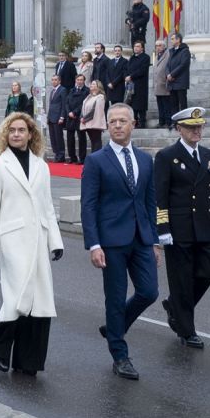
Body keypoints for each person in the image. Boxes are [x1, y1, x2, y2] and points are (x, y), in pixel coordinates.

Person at [0, 112, 64, 375]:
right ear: (6, 134)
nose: (16, 134)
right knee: (18, 298)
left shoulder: (42, 166)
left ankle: (28, 360)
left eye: (21, 130)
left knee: (40, 302)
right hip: (12, 241)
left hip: (38, 239)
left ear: (30, 134)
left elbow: (47, 206)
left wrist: (55, 241)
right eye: (12, 130)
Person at [81, 103, 160, 380]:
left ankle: (115, 327)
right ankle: (120, 355)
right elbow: (88, 205)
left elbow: (150, 201)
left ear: (132, 124)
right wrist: (94, 244)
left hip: (141, 238)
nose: (116, 126)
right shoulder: (96, 160)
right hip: (111, 241)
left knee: (149, 291)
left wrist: (155, 241)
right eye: (112, 121)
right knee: (114, 299)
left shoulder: (144, 160)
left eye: (122, 121)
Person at [155, 106, 210, 349]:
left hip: (202, 227)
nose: (197, 131)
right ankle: (186, 329)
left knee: (208, 272)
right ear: (179, 129)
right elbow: (160, 195)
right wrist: (163, 228)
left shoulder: (208, 154)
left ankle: (176, 306)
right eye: (191, 128)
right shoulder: (166, 156)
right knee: (181, 280)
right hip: (179, 229)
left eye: (199, 127)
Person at [65, 73, 89, 164]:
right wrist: (69, 112)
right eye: (78, 80)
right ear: (76, 81)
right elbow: (67, 102)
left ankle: (82, 158)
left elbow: (83, 104)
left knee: (82, 139)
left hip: (79, 117)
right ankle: (72, 157)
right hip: (70, 117)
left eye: (81, 80)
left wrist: (74, 112)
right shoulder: (72, 90)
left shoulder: (87, 91)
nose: (79, 81)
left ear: (84, 81)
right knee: (70, 138)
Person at [126, 40, 150, 126]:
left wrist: (131, 76)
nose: (136, 48)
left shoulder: (145, 57)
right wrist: (127, 76)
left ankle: (142, 122)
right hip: (131, 85)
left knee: (141, 104)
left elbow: (142, 70)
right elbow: (127, 68)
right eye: (135, 46)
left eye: (138, 46)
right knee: (132, 103)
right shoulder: (132, 58)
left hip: (141, 84)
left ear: (142, 48)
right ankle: (134, 121)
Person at [165, 32, 191, 115]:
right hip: (172, 83)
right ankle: (175, 123)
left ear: (178, 40)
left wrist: (172, 75)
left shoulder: (185, 51)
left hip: (180, 82)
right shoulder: (171, 51)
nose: (171, 41)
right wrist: (168, 75)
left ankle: (184, 121)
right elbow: (167, 65)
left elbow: (183, 65)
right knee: (173, 104)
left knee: (182, 104)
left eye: (172, 39)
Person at [81, 80, 107, 153]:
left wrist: (85, 119)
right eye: (91, 84)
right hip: (88, 123)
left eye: (93, 84)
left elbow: (95, 110)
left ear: (97, 86)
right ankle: (93, 157)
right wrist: (82, 117)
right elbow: (83, 107)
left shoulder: (100, 97)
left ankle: (97, 158)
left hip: (95, 122)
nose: (91, 85)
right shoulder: (89, 97)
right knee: (93, 141)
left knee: (97, 141)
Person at [46, 75, 67, 163]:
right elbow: (51, 105)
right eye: (52, 80)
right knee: (53, 137)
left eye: (55, 80)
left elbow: (64, 104)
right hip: (51, 117)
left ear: (59, 81)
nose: (54, 81)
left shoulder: (62, 90)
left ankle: (61, 155)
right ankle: (56, 154)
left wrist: (62, 117)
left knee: (59, 137)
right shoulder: (52, 91)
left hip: (58, 117)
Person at [152, 39, 172, 128]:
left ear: (164, 46)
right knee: (160, 105)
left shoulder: (168, 54)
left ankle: (168, 122)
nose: (158, 47)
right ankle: (161, 121)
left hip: (164, 84)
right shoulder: (157, 56)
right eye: (156, 46)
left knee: (166, 105)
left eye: (160, 45)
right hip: (157, 85)